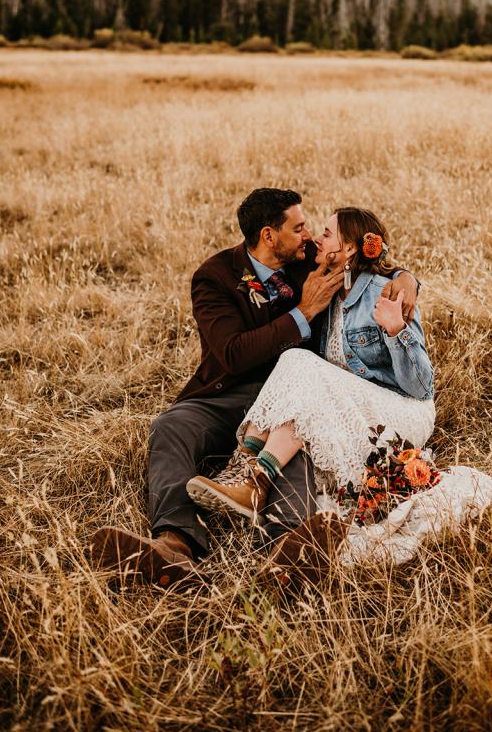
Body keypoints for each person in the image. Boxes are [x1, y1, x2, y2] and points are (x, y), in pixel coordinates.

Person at [90, 189, 418, 587]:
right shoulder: (215, 277)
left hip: (292, 394)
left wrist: (406, 278)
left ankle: (288, 554)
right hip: (228, 392)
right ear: (268, 235)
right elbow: (231, 354)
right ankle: (173, 545)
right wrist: (304, 312)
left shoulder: (305, 258)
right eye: (298, 228)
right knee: (170, 426)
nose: (309, 235)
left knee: (301, 437)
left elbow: (364, 258)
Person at [186, 207, 435, 526]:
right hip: (348, 403)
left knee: (298, 361)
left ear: (348, 249)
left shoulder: (384, 293)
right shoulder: (329, 290)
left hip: (400, 410)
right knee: (300, 382)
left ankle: (250, 472)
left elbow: (421, 387)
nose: (317, 238)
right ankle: (250, 479)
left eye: (327, 234)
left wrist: (396, 330)